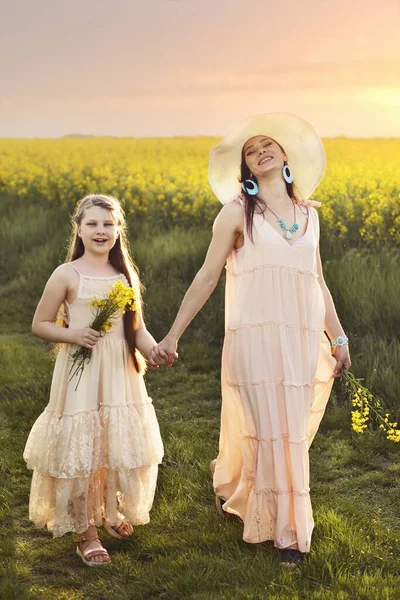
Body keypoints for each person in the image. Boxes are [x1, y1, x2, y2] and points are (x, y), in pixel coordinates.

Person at [152, 113, 351, 567]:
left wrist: (338, 337)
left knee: (289, 432)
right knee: (267, 429)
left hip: (300, 336)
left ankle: (235, 484)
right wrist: (173, 334)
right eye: (250, 149)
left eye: (268, 144)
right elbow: (206, 276)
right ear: (244, 165)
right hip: (254, 336)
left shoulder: (309, 216)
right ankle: (289, 535)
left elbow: (317, 281)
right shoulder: (236, 213)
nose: (260, 150)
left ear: (285, 154)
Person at [24, 194, 168, 566]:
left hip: (119, 371)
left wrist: (152, 350)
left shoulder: (125, 275)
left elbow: (136, 329)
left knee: (112, 442)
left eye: (108, 224)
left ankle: (109, 512)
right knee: (82, 446)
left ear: (119, 229)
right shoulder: (67, 273)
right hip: (81, 372)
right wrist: (73, 335)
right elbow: (40, 324)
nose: (101, 231)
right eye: (93, 224)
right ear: (79, 229)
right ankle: (85, 531)